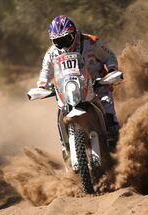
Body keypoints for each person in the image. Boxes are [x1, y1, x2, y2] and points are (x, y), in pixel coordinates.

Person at [37, 15, 120, 157]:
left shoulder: (91, 42)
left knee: (108, 108)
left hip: (96, 84)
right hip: (69, 88)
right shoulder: (51, 53)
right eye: (58, 41)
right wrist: (42, 85)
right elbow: (45, 71)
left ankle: (117, 143)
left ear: (75, 34)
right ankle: (65, 146)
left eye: (66, 39)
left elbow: (109, 56)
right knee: (60, 112)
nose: (63, 45)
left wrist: (112, 69)